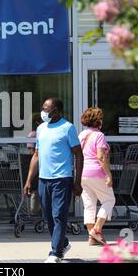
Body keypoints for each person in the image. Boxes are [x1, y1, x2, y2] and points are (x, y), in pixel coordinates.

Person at [24, 98, 83, 263]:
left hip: (62, 179)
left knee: (59, 216)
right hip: (44, 179)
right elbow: (36, 155)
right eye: (42, 108)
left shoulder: (67, 128)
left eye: (46, 108)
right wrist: (29, 180)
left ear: (56, 110)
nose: (43, 111)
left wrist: (78, 182)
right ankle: (63, 243)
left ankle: (55, 253)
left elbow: (79, 154)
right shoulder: (41, 129)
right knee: (48, 217)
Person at [78, 107, 115, 246]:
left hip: (82, 173)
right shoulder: (99, 135)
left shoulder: (81, 135)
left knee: (89, 205)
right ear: (98, 120)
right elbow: (100, 156)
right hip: (96, 172)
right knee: (109, 200)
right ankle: (97, 229)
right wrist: (108, 174)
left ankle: (92, 237)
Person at [26, 114, 43, 216]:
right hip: (38, 166)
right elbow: (32, 152)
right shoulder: (33, 134)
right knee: (35, 190)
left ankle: (38, 211)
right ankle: (34, 212)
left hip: (43, 166)